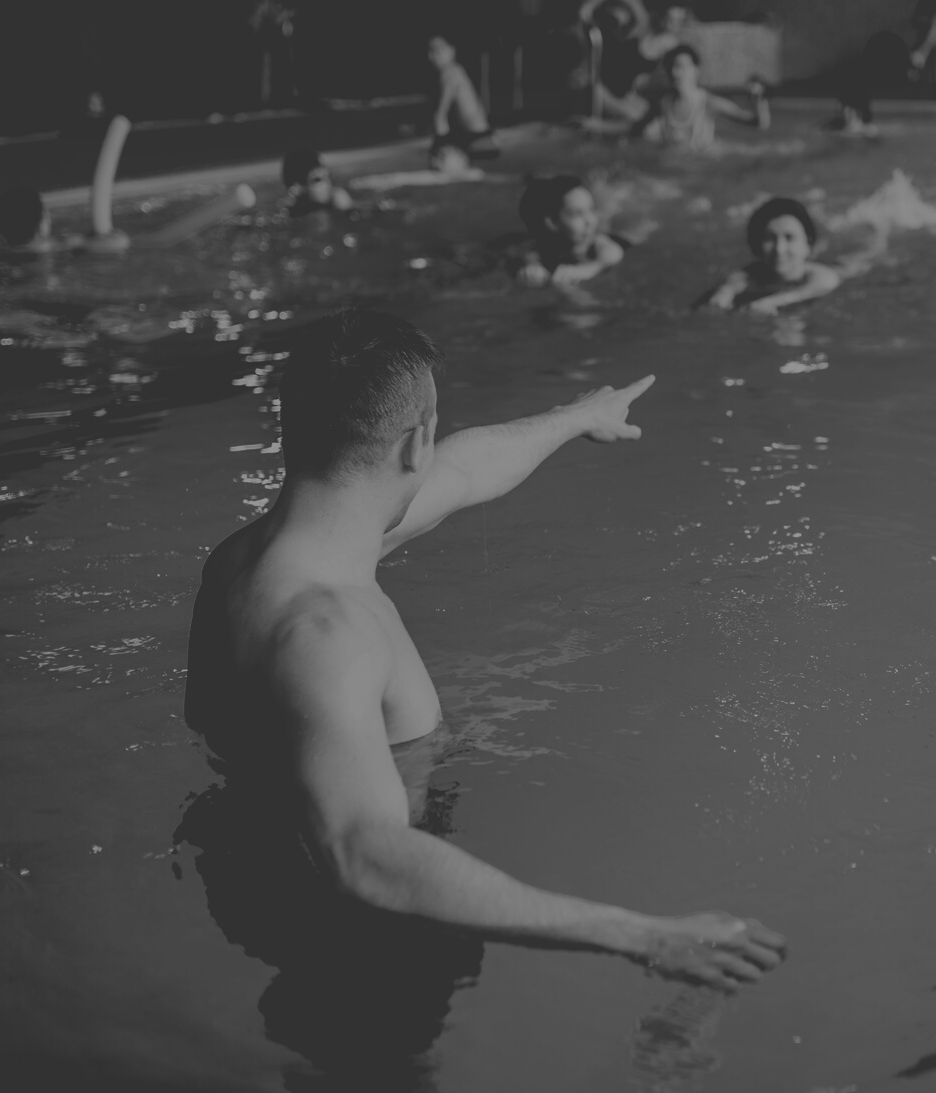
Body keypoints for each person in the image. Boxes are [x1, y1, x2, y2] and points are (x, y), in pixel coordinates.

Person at [184, 310, 787, 989]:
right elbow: (363, 853)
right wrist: (643, 934)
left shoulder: (240, 564)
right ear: (414, 442)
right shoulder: (329, 635)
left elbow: (465, 469)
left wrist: (575, 415)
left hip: (264, 877)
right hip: (364, 934)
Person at [0, 115, 135, 254]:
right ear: (42, 225)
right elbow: (119, 243)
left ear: (1, 229)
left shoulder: (0, 255)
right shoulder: (57, 247)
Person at [699, 198, 840, 314]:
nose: (779, 249)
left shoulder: (821, 275)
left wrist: (771, 301)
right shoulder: (749, 275)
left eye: (789, 238)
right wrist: (722, 294)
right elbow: (732, 284)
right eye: (769, 238)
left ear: (807, 245)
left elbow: (821, 286)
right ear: (758, 244)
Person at [517, 175, 628, 298]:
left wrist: (582, 271)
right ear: (553, 222)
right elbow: (529, 252)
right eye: (577, 214)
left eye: (591, 210)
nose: (590, 221)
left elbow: (612, 255)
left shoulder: (601, 245)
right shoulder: (540, 246)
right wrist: (532, 266)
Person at [638, 45, 768, 148]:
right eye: (671, 67)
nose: (675, 72)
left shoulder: (709, 104)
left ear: (697, 70)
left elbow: (758, 123)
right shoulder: (663, 104)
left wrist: (758, 99)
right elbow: (639, 131)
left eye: (680, 66)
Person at [427, 35, 495, 167]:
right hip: (484, 140)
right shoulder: (457, 70)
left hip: (477, 142)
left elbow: (440, 119)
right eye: (431, 51)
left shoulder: (450, 72)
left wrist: (436, 150)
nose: (433, 56)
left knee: (438, 161)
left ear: (452, 50)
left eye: (438, 49)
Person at [282, 149, 355, 216]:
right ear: (296, 188)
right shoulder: (294, 214)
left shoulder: (337, 200)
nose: (327, 184)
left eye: (328, 177)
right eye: (317, 180)